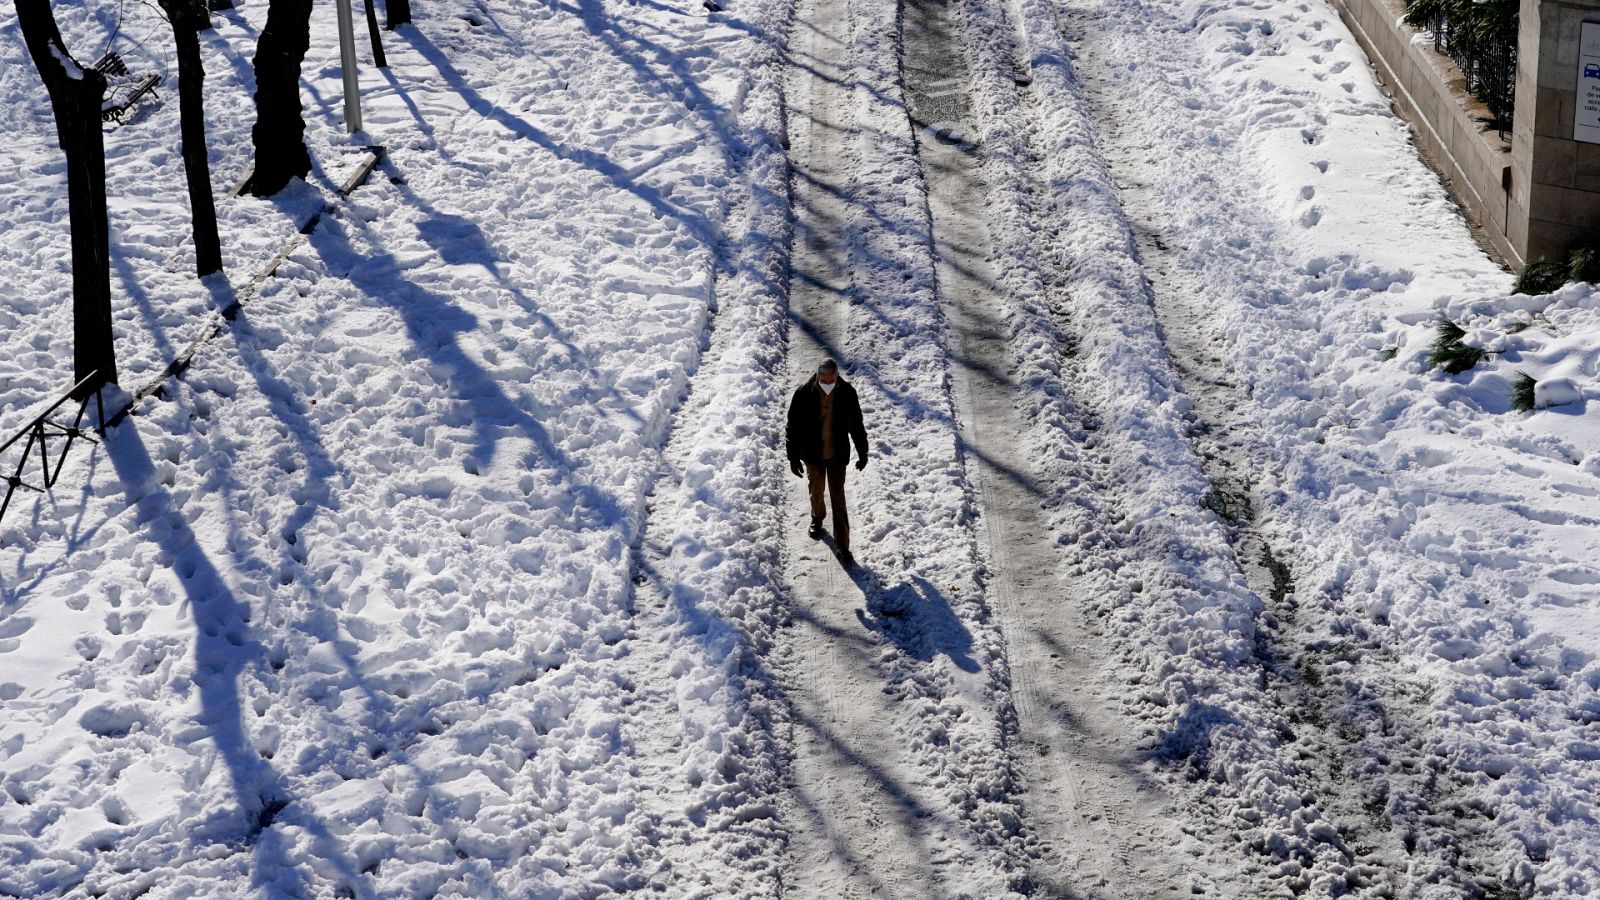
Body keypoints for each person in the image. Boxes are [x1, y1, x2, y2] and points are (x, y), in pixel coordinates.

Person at [786, 358, 869, 566]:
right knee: (816, 489)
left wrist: (862, 451)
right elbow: (793, 427)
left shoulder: (848, 393)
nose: (828, 383)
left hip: (837, 455)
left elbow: (856, 425)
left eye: (832, 379)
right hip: (812, 454)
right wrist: (793, 456)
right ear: (818, 376)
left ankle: (843, 547)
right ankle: (817, 517)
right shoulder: (803, 393)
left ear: (837, 375)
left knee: (838, 499)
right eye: (824, 379)